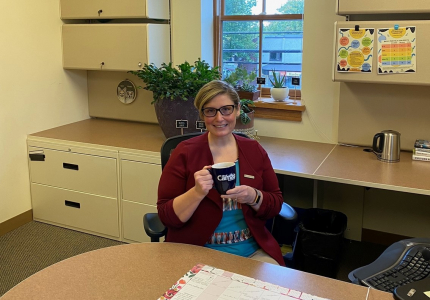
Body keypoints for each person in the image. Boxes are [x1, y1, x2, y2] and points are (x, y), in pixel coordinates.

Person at [157, 80, 285, 266]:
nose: (219, 118)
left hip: (252, 253)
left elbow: (275, 204)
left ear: (238, 109)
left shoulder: (254, 150)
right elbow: (166, 216)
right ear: (202, 114)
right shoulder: (184, 152)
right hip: (198, 253)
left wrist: (253, 196)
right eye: (210, 111)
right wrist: (197, 192)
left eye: (226, 109)